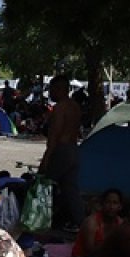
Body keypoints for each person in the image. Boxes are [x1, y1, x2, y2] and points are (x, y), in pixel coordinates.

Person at [40, 75, 84, 232]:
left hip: (61, 150)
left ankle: (41, 218)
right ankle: (79, 221)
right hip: (74, 149)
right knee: (70, 188)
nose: (49, 94)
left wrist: (46, 159)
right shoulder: (75, 107)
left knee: (45, 185)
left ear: (59, 89)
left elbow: (54, 136)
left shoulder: (59, 108)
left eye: (51, 90)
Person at [71, 188, 123, 257]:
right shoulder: (91, 222)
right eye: (108, 202)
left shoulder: (120, 223)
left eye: (115, 203)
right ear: (102, 204)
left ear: (120, 206)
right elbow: (89, 252)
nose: (111, 207)